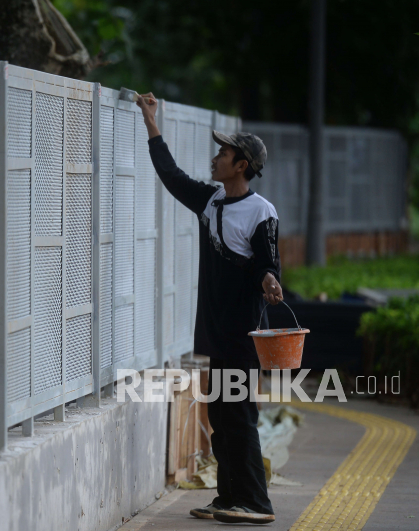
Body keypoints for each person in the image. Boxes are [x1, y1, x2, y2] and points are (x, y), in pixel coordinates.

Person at [137, 93, 281, 525]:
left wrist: (270, 279)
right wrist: (151, 122)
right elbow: (171, 175)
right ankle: (229, 497)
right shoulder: (212, 200)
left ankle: (256, 502)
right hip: (217, 330)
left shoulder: (261, 211)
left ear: (242, 165)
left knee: (238, 416)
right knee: (220, 415)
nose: (216, 157)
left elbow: (266, 261)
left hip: (242, 333)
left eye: (224, 152)